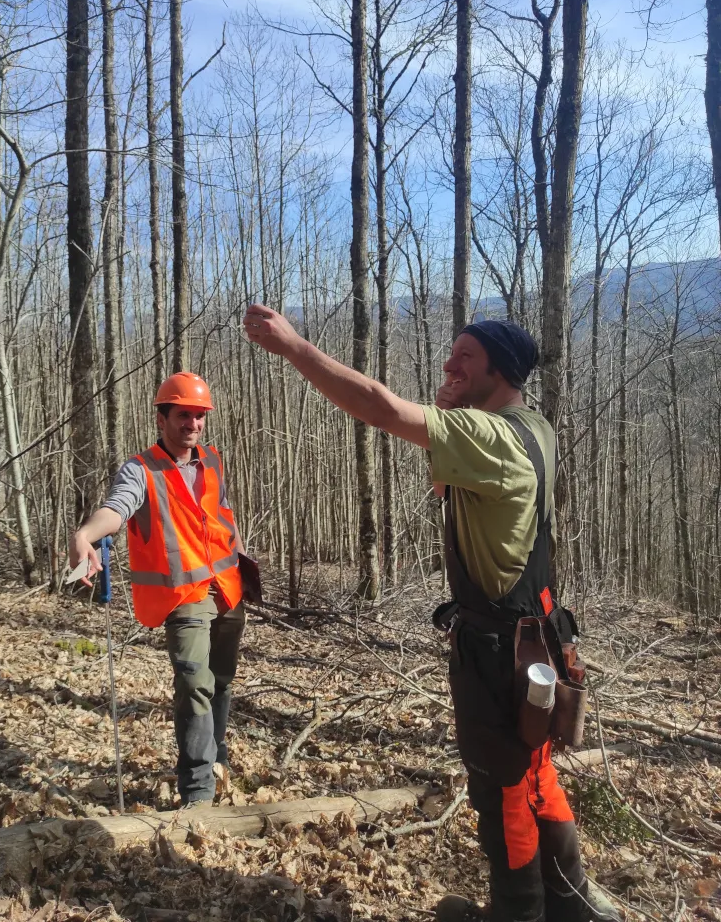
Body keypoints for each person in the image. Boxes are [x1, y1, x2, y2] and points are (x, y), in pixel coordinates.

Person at [243, 305, 619, 922]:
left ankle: (518, 914)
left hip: (500, 655)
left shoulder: (493, 436)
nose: (449, 365)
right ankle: (571, 906)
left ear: (500, 371)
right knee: (533, 778)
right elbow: (446, 489)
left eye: (465, 357)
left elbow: (381, 408)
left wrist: (296, 348)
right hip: (533, 642)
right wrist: (455, 410)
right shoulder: (534, 428)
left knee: (503, 792)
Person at [68, 372, 249, 806]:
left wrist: (245, 563)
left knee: (221, 681)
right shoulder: (141, 470)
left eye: (199, 416)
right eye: (184, 415)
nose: (193, 424)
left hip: (227, 587)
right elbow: (117, 509)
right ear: (162, 418)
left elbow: (224, 515)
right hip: (184, 596)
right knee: (194, 683)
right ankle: (198, 788)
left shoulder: (212, 460)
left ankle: (217, 759)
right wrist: (85, 535)